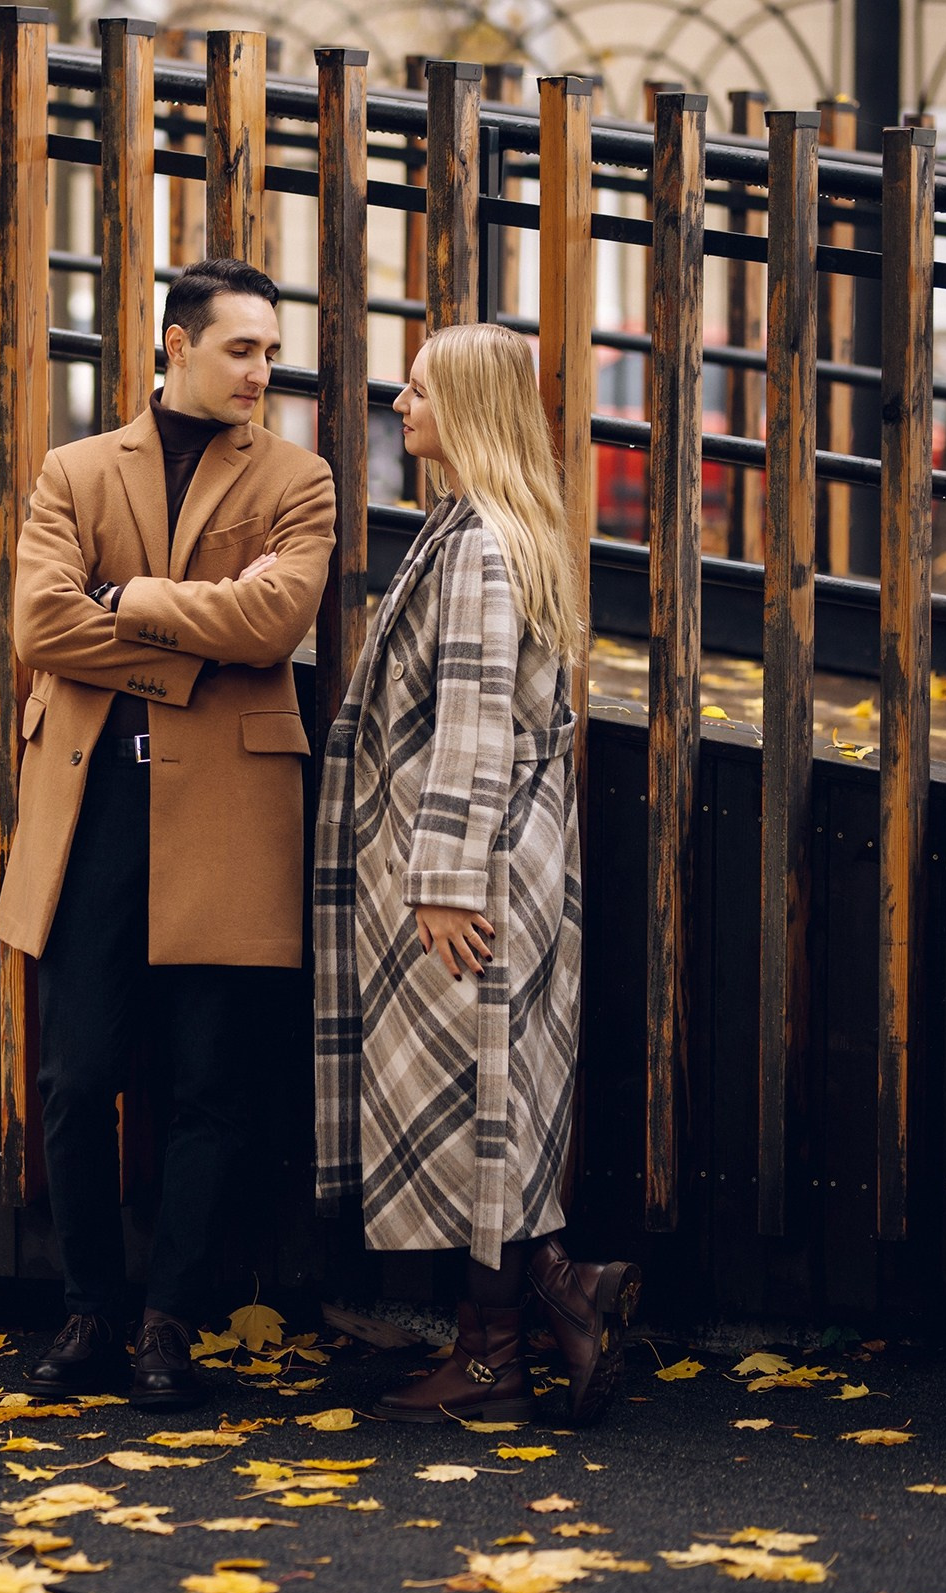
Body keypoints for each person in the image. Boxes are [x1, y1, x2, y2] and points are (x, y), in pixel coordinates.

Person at [0, 258, 335, 1411]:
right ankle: (90, 1308)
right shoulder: (76, 470)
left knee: (211, 1086)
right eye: (242, 348)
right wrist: (202, 645)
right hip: (93, 808)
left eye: (272, 352)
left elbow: (277, 618)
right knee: (76, 1078)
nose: (262, 371)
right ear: (177, 346)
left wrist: (130, 602)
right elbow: (42, 624)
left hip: (233, 814)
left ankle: (167, 1324)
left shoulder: (301, 478)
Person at [310, 322, 637, 1427]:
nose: (400, 405)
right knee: (486, 1107)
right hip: (506, 857)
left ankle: (499, 1356)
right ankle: (544, 1308)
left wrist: (444, 876)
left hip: (473, 869)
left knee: (478, 1108)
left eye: (419, 390)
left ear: (471, 408)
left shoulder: (482, 546)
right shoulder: (492, 529)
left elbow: (474, 721)